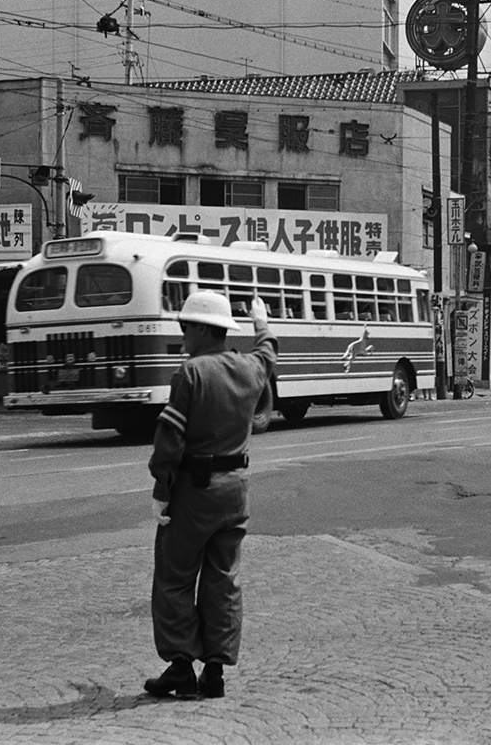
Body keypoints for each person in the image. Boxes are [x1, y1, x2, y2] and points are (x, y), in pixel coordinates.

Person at [144, 291, 277, 701]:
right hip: (235, 490)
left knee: (175, 578)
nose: (182, 335)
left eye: (185, 327)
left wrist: (161, 491)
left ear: (203, 329)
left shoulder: (191, 374)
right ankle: (215, 672)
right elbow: (268, 354)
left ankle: (181, 668)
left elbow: (170, 440)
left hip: (194, 490)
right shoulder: (250, 368)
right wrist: (261, 322)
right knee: (224, 579)